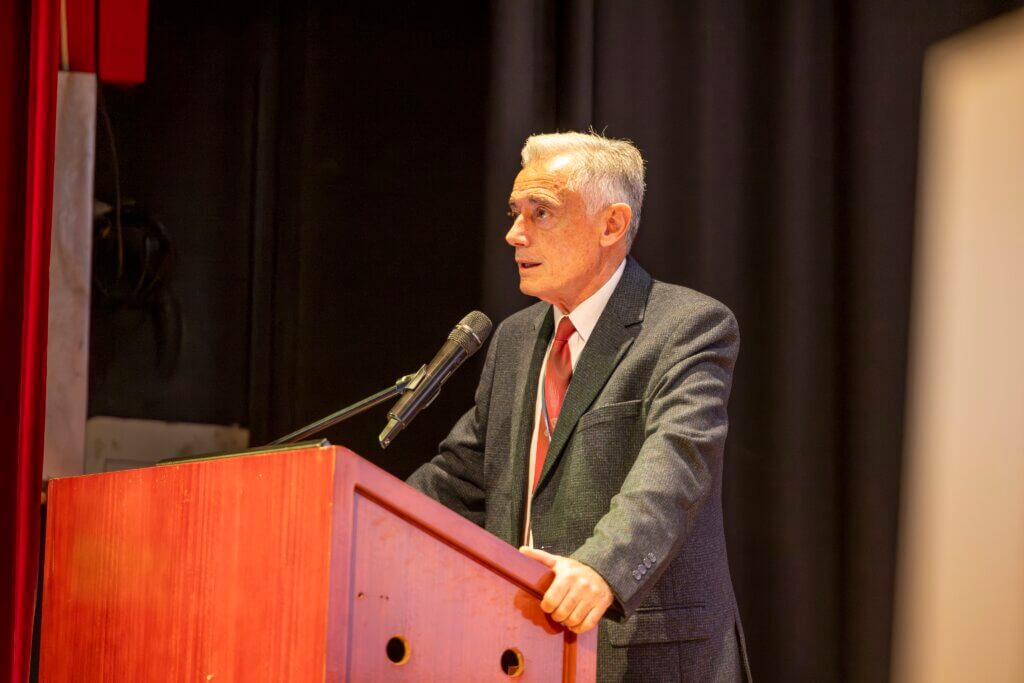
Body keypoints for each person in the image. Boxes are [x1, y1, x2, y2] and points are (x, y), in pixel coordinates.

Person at [408, 131, 751, 682]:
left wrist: (600, 568)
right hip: (521, 650)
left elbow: (676, 469)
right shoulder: (517, 339)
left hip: (644, 655)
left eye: (539, 212)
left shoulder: (687, 327)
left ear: (611, 225)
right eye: (516, 211)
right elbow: (462, 477)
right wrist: (347, 521)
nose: (513, 233)